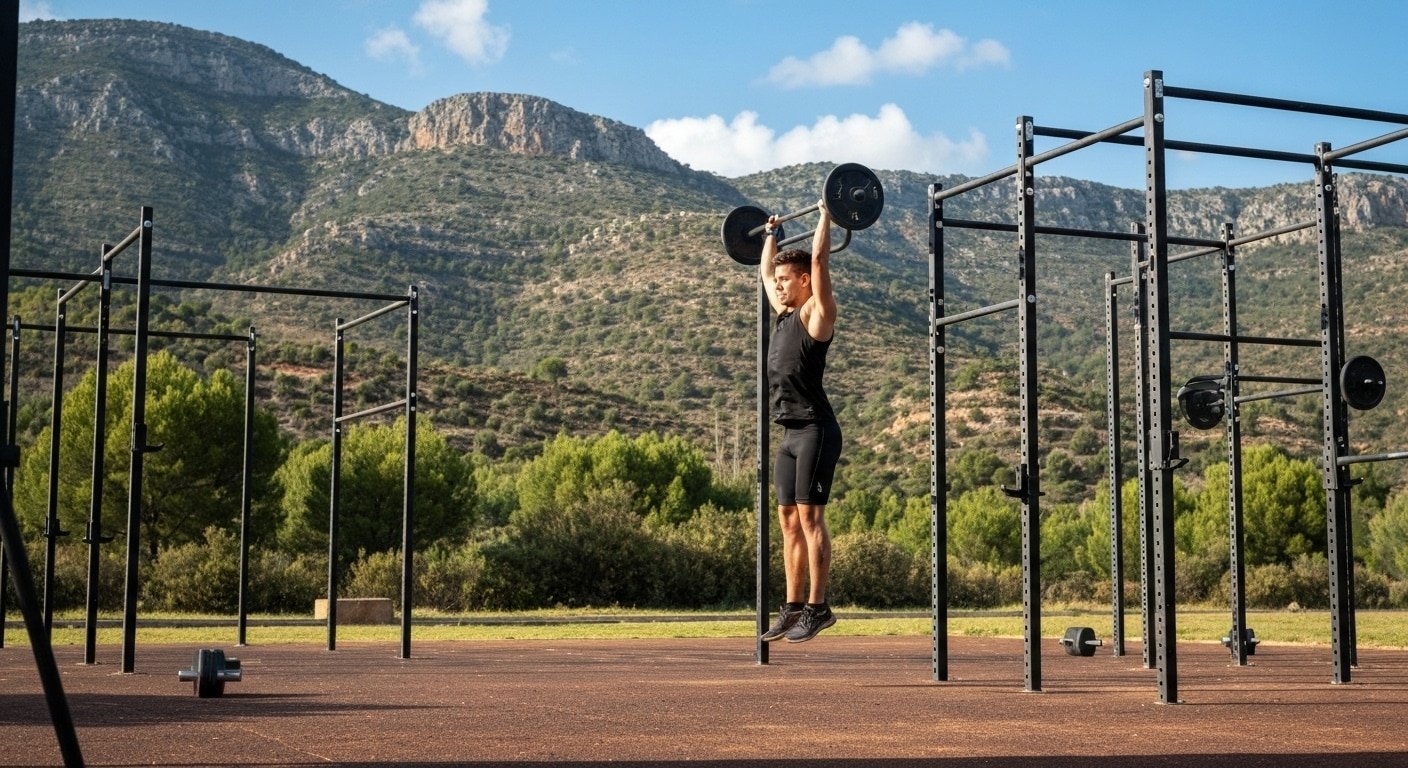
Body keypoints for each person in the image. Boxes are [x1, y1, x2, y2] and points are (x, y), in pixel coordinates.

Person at [758, 199, 842, 644]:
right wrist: (771, 235)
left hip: (815, 429)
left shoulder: (815, 313)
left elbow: (821, 259)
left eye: (786, 280)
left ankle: (818, 607)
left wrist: (826, 216)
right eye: (779, 281)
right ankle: (791, 608)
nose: (778, 285)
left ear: (805, 280)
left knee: (810, 519)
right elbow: (763, 274)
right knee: (788, 520)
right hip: (789, 433)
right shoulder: (784, 313)